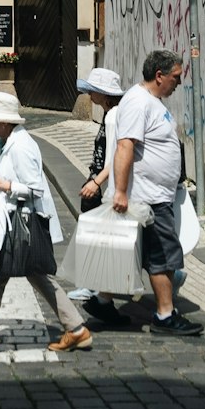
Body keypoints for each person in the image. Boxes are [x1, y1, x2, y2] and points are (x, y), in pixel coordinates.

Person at [0, 90, 92, 360]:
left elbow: (35, 189)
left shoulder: (21, 146)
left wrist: (3, 184)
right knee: (37, 275)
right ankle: (76, 328)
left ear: (4, 121)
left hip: (19, 227)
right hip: (18, 225)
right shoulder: (11, 141)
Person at [111, 48, 202, 337]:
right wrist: (121, 191)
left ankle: (101, 300)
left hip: (157, 195)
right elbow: (125, 146)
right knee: (162, 254)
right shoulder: (139, 102)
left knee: (138, 253)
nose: (179, 81)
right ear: (159, 75)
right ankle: (165, 314)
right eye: (176, 76)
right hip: (148, 198)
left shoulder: (152, 101)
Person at [72, 67, 126, 326]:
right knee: (98, 236)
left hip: (105, 184)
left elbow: (115, 154)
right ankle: (94, 287)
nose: (89, 94)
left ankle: (96, 289)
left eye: (93, 90)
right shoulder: (110, 114)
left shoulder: (114, 117)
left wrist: (97, 182)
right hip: (102, 181)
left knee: (103, 238)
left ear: (104, 95)